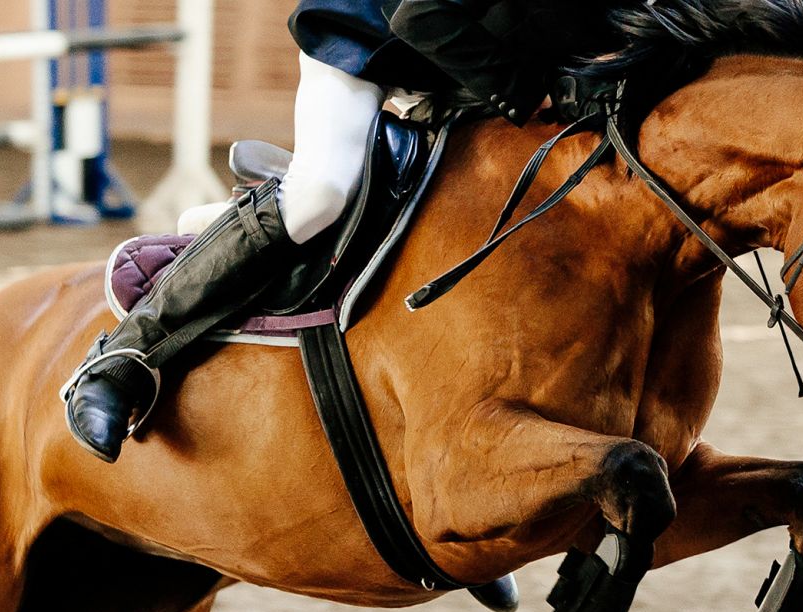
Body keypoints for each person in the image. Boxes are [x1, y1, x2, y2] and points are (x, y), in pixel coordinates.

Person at [63, 0, 619, 463]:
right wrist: (529, 93)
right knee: (319, 198)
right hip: (372, 38)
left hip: (466, 74)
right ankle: (122, 359)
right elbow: (421, 15)